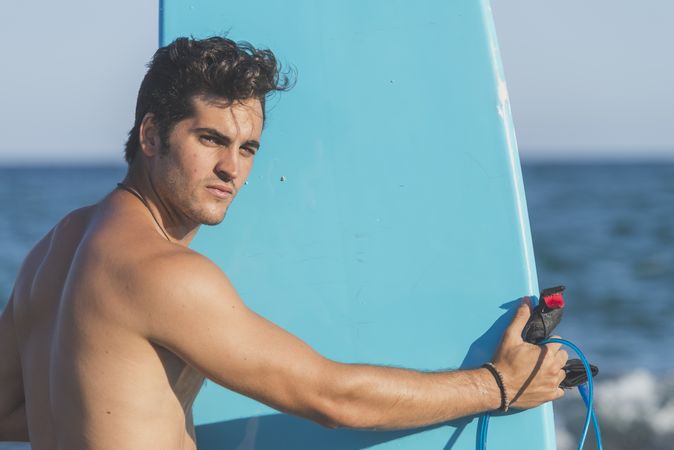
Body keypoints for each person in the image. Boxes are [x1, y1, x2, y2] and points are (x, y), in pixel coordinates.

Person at [0, 36, 567, 450]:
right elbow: (330, 399)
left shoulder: (51, 251)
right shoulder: (162, 273)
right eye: (210, 139)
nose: (230, 169)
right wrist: (498, 384)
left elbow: (6, 414)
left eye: (247, 149)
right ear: (150, 134)